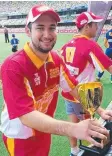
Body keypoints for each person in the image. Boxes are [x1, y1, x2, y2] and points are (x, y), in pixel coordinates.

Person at [0, 5, 109, 156]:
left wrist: (100, 110)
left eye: (52, 28)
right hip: (21, 137)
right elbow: (25, 115)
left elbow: (74, 88)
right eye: (40, 28)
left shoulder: (56, 59)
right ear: (28, 30)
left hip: (46, 129)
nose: (47, 34)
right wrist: (73, 128)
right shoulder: (13, 66)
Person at [61, 12, 112, 156]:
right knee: (93, 130)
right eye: (95, 24)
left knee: (73, 124)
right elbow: (109, 67)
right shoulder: (90, 44)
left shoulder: (66, 45)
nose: (98, 27)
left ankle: (74, 151)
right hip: (82, 95)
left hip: (68, 93)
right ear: (86, 26)